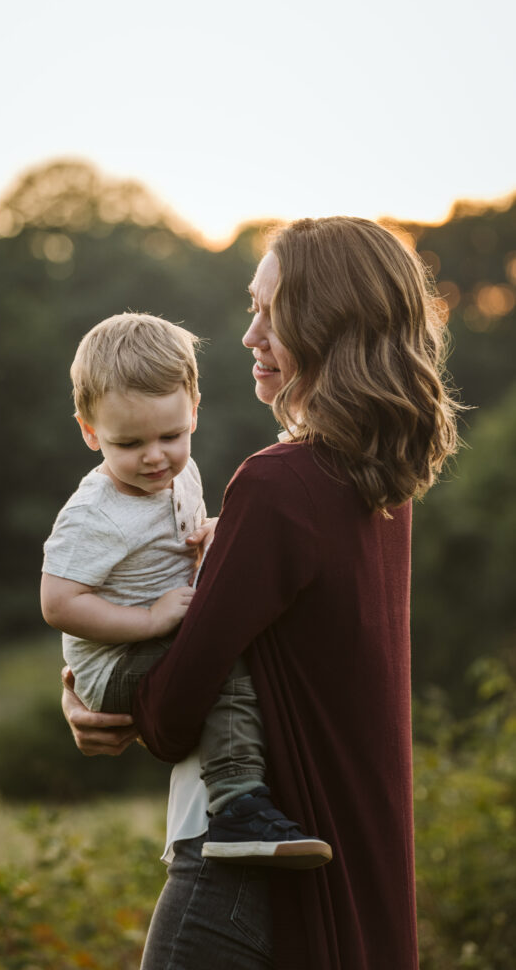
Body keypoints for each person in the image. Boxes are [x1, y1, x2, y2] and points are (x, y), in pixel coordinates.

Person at [61, 217, 460, 970]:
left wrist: (99, 701)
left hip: (241, 864)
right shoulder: (380, 487)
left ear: (329, 324)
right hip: (342, 852)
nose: (248, 335)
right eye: (252, 308)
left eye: (272, 313)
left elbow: (180, 711)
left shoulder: (279, 484)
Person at [42, 312, 331, 868]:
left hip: (156, 634)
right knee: (218, 661)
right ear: (89, 431)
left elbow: (178, 543)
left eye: (171, 435)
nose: (155, 457)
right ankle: (236, 805)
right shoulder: (94, 514)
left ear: (194, 410)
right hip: (113, 659)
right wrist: (150, 619)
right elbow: (58, 602)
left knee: (215, 651)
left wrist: (214, 538)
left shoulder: (182, 473)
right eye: (129, 444)